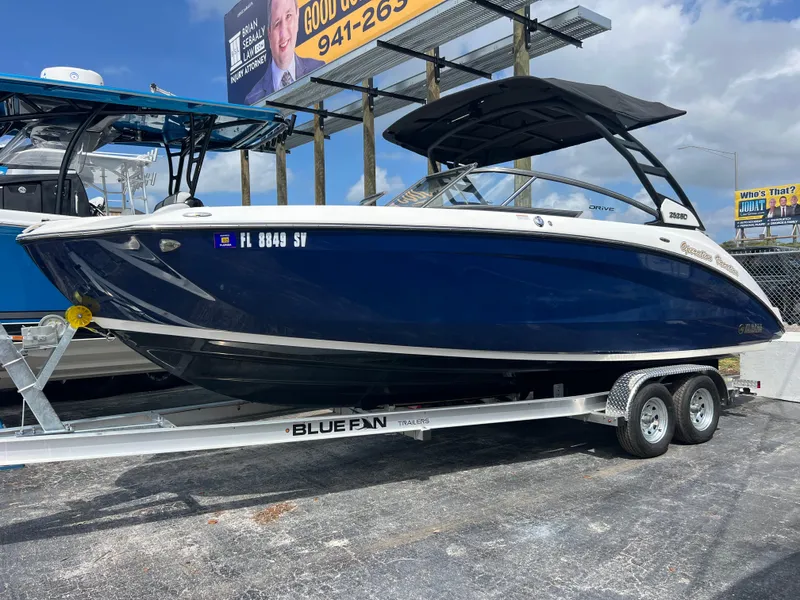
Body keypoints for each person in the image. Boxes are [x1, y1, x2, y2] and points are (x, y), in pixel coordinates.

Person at [244, 0, 324, 105]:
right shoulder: (254, 100)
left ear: (297, 17)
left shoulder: (319, 69)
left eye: (288, 16)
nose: (283, 33)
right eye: (277, 24)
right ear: (269, 35)